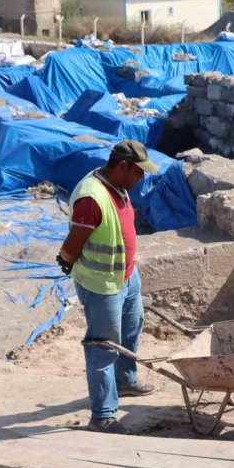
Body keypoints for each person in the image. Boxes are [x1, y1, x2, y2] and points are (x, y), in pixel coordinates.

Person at [57, 140, 159, 435]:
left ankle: (125, 381)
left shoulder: (119, 186)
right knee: (103, 346)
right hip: (103, 285)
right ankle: (103, 415)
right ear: (123, 166)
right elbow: (75, 241)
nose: (142, 178)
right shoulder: (91, 198)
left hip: (126, 276)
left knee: (131, 329)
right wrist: (66, 260)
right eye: (139, 172)